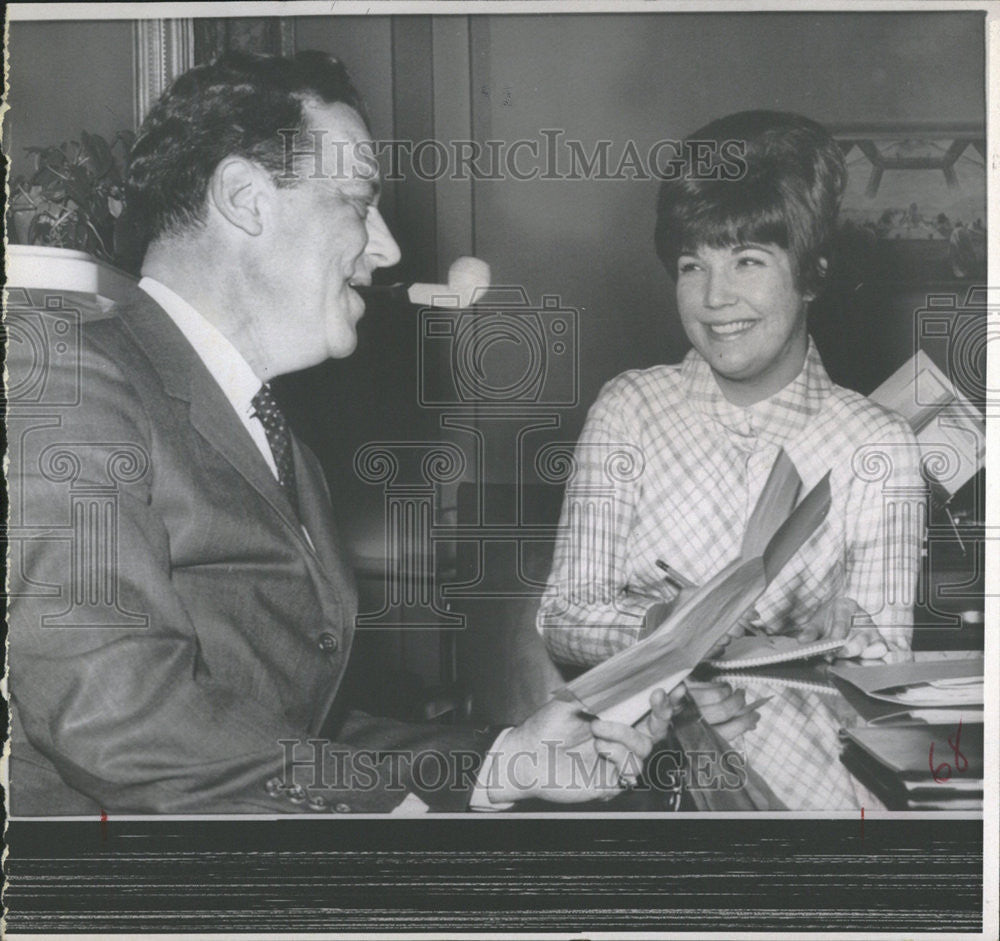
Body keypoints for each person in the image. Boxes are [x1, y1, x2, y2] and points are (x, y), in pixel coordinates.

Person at [7, 51, 675, 816]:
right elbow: (117, 719)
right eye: (359, 204)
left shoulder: (284, 447)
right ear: (245, 198)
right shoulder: (64, 374)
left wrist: (503, 759)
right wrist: (388, 804)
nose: (387, 249)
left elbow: (281, 732)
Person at [537, 110, 923, 672]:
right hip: (643, 747)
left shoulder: (880, 447)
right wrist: (662, 622)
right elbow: (564, 615)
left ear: (812, 273)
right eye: (693, 265)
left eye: (748, 261)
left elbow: (886, 658)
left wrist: (855, 639)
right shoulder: (631, 411)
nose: (714, 297)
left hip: (803, 751)